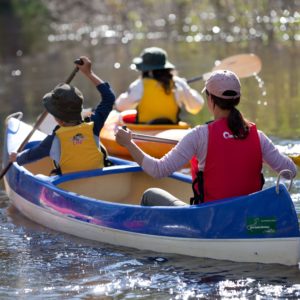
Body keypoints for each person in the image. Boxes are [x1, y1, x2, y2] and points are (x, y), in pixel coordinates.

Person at [115, 69, 297, 206]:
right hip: (247, 216)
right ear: (237, 100)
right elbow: (290, 172)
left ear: (210, 100)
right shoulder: (257, 136)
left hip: (210, 219)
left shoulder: (199, 135)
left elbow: (158, 170)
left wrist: (128, 143)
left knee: (150, 194)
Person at [9, 56, 115, 175]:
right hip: (99, 182)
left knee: (50, 173)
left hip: (69, 185)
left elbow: (31, 155)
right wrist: (89, 73)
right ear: (80, 109)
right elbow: (109, 98)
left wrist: (17, 157)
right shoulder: (94, 125)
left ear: (57, 119)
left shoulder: (54, 139)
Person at [115, 46, 204, 124]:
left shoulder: (138, 85)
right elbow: (196, 106)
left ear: (147, 70)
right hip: (171, 130)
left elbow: (120, 106)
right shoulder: (178, 83)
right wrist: (186, 88)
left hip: (145, 132)